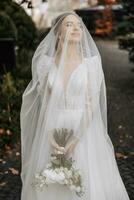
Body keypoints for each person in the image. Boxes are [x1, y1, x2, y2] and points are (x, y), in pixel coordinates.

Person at [20, 11, 130, 200]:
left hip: (84, 131)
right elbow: (45, 104)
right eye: (69, 25)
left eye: (79, 25)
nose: (76, 28)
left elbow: (91, 105)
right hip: (53, 130)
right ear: (58, 33)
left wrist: (76, 138)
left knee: (86, 184)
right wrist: (49, 136)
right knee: (52, 184)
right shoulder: (46, 65)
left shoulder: (91, 65)